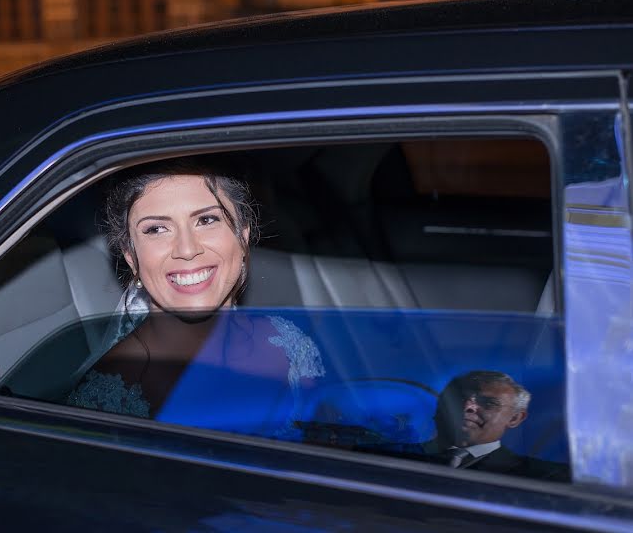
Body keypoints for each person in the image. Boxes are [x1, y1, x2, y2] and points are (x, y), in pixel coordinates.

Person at [65, 158, 325, 438]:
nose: (187, 249)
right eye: (156, 229)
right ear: (131, 256)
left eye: (206, 220)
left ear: (243, 234)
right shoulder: (106, 399)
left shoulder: (290, 342)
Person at [365, 371, 569, 481]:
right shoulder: (380, 458)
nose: (468, 407)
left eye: (488, 403)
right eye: (458, 399)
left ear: (515, 419)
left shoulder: (543, 478)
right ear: (438, 409)